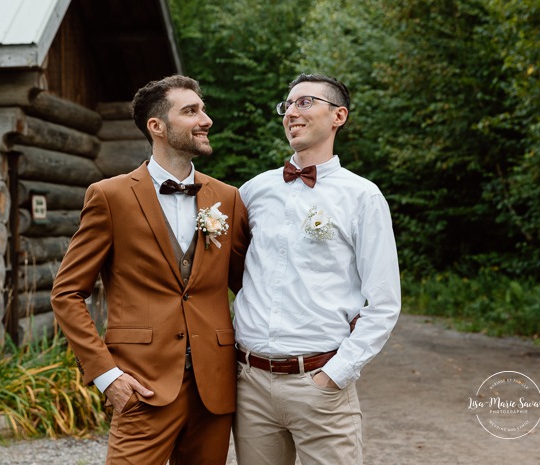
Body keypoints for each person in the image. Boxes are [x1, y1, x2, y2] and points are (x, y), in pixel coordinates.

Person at [51, 75, 249, 465]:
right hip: (141, 384)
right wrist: (107, 376)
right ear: (156, 126)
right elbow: (67, 293)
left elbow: (250, 285)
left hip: (214, 386)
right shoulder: (109, 196)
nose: (205, 119)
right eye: (191, 111)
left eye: (203, 108)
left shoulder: (227, 198)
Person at [232, 73, 401, 465]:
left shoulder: (363, 196)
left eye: (305, 102)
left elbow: (384, 303)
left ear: (338, 115)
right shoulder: (254, 191)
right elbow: (230, 272)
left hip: (321, 382)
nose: (291, 111)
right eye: (287, 105)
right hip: (250, 384)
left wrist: (336, 374)